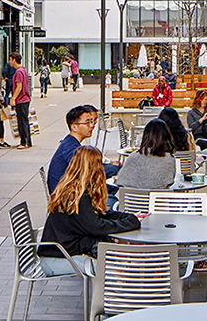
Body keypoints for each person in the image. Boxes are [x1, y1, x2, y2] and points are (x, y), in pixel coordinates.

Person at [39, 146, 141, 276]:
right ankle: (122, 293)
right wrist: (131, 222)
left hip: (60, 254)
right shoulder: (79, 196)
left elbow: (101, 214)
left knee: (117, 259)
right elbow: (96, 227)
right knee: (112, 269)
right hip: (57, 259)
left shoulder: (72, 189)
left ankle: (124, 290)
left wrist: (129, 218)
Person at [47, 105, 120, 192]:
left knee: (112, 184)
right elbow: (85, 172)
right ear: (74, 127)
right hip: (66, 196)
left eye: (92, 122)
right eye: (87, 123)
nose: (92, 126)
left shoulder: (71, 142)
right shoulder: (71, 147)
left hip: (70, 191)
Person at [116, 120, 177, 189]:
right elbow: (170, 181)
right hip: (158, 199)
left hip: (132, 198)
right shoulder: (169, 159)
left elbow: (120, 181)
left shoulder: (133, 157)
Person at [10, 52, 33, 149]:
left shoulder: (19, 72)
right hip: (25, 99)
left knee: (22, 121)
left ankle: (24, 142)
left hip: (21, 99)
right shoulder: (23, 70)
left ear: (14, 60)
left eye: (10, 59)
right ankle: (28, 141)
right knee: (25, 120)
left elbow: (19, 86)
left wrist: (13, 98)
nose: (9, 62)